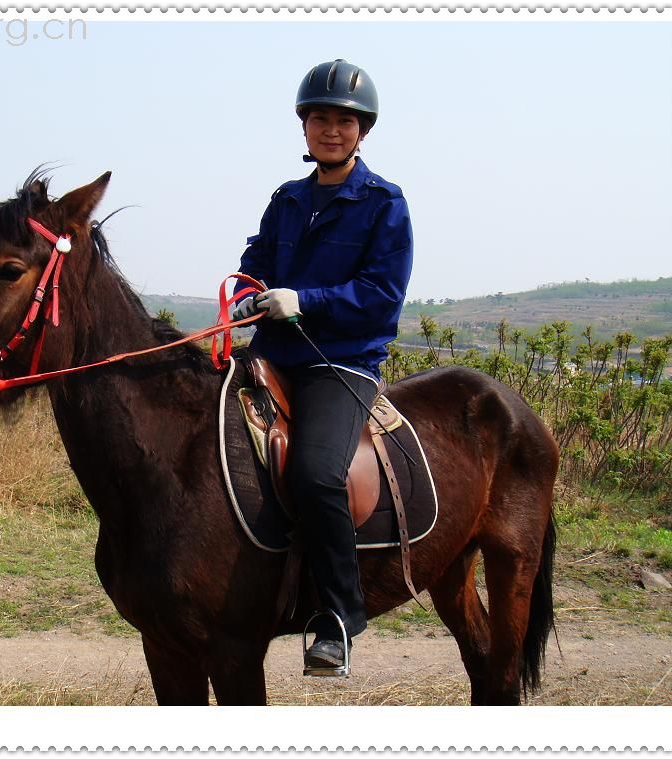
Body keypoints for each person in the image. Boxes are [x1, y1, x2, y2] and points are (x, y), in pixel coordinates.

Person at [232, 59, 413, 674]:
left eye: (344, 120)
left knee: (314, 474)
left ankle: (338, 616)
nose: (330, 129)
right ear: (304, 127)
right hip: (272, 355)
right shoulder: (286, 200)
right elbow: (256, 262)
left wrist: (304, 300)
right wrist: (245, 298)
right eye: (319, 119)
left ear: (362, 131)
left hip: (340, 365)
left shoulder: (385, 204)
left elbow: (381, 295)